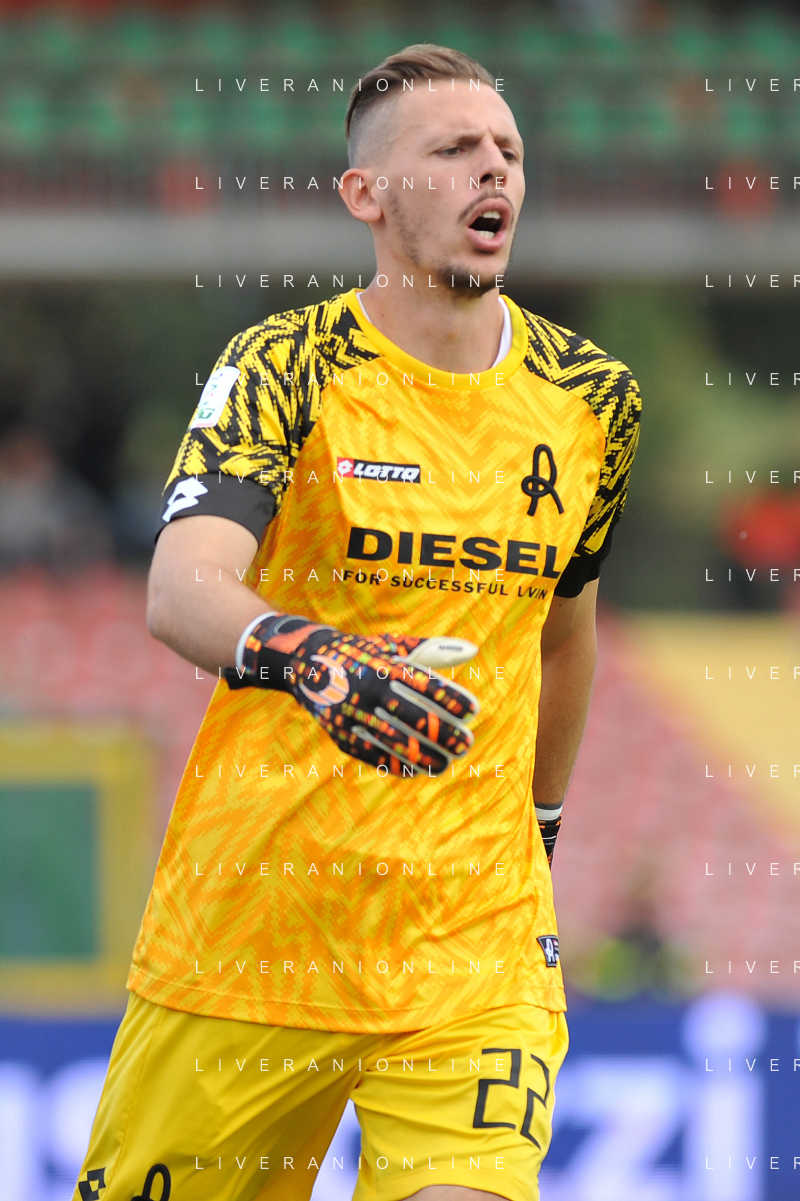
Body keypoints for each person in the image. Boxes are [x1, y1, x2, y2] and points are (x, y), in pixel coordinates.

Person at [75, 44, 640, 1201]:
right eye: (453, 149)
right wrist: (312, 655)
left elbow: (561, 630)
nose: (493, 169)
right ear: (365, 193)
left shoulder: (591, 399)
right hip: (254, 932)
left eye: (507, 150)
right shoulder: (284, 365)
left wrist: (536, 826)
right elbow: (182, 587)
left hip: (470, 939)